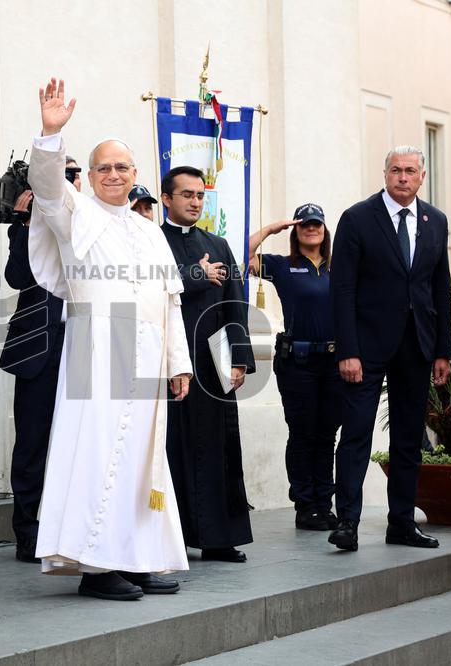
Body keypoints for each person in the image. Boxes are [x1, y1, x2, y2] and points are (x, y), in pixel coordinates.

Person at [27, 78, 192, 600]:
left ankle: (136, 559)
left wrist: (178, 362)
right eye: (104, 167)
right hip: (96, 353)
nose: (114, 175)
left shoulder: (149, 228)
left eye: (122, 167)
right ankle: (96, 568)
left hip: (145, 358)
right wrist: (51, 134)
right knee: (98, 455)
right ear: (91, 175)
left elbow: (169, 300)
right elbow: (49, 188)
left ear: (135, 175)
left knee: (143, 460)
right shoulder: (74, 213)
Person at [329, 145, 451, 552]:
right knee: (357, 433)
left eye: (411, 171)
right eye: (396, 170)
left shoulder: (435, 221)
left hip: (416, 346)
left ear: (422, 177)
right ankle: (347, 521)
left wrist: (441, 351)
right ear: (385, 174)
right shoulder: (358, 218)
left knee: (408, 438)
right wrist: (347, 349)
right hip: (365, 347)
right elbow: (342, 288)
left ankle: (401, 522)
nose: (403, 177)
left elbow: (439, 288)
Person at [160, 165, 255, 563]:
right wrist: (194, 275)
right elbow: (147, 284)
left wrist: (239, 359)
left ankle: (218, 538)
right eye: (186, 195)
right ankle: (170, 539)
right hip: (168, 362)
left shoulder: (219, 244)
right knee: (170, 449)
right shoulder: (151, 242)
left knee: (219, 449)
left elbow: (235, 303)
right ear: (167, 199)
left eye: (200, 195)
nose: (195, 202)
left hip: (213, 362)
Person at [0, 155, 81, 563]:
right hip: (38, 350)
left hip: (86, 348)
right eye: (59, 176)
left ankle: (72, 530)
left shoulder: (88, 221)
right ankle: (29, 534)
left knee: (80, 442)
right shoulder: (27, 228)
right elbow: (18, 278)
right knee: (33, 444)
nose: (66, 183)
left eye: (72, 176)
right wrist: (25, 225)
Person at [248, 204, 340, 531]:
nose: (310, 229)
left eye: (316, 224)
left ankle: (324, 503)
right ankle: (304, 505)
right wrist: (272, 228)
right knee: (303, 433)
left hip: (333, 363)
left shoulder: (339, 265)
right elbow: (239, 256)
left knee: (327, 434)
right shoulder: (282, 265)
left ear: (324, 229)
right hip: (297, 363)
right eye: (304, 224)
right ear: (296, 230)